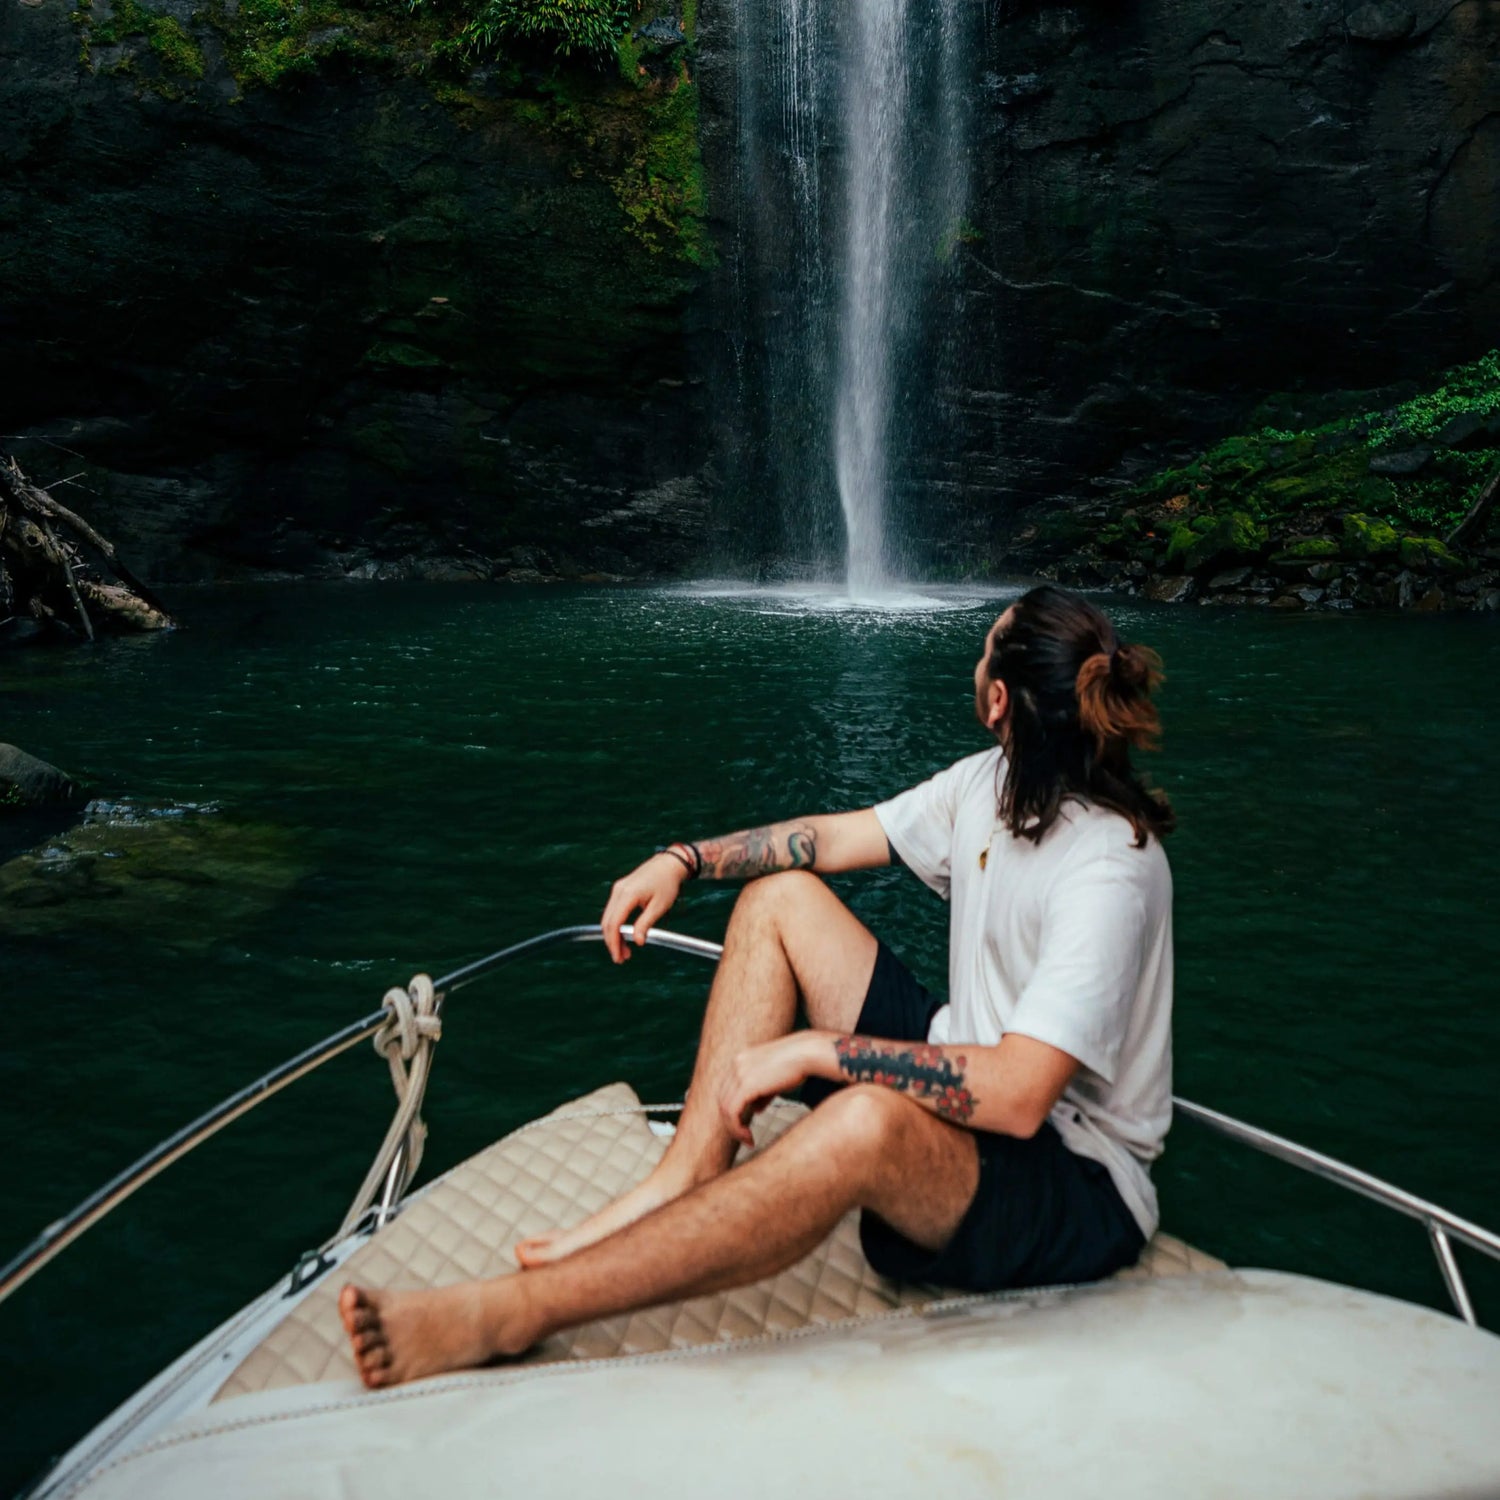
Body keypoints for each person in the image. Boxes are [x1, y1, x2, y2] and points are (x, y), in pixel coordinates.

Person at [340, 584, 1176, 1387]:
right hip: (969, 1063)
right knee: (780, 900)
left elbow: (1024, 1095)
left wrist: (820, 1051)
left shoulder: (1110, 867)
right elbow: (819, 840)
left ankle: (510, 1313)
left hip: (1074, 1176)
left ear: (999, 700)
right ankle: (679, 1183)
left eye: (983, 647)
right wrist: (683, 859)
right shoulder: (987, 788)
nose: (972, 662)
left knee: (864, 1121)